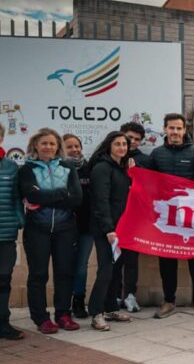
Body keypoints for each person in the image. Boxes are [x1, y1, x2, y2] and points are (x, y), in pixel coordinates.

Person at [19, 128, 83, 333]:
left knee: (64, 273)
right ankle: (41, 318)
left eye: (52, 143)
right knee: (38, 275)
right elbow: (31, 194)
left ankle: (63, 314)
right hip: (37, 229)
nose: (48, 147)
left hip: (65, 229)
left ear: (58, 147)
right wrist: (60, 194)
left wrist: (44, 196)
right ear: (35, 145)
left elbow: (76, 198)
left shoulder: (68, 167)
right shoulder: (27, 169)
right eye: (44, 143)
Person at [149, 113, 194, 319]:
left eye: (178, 128)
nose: (175, 132)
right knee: (167, 257)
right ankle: (169, 301)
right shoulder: (156, 154)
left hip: (191, 215)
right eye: (171, 128)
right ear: (165, 129)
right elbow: (148, 183)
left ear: (184, 130)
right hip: (166, 216)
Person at [86, 132, 133, 331]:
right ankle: (96, 313)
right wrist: (108, 229)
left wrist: (133, 173)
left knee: (115, 271)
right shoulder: (102, 168)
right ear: (109, 146)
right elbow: (101, 201)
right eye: (117, 144)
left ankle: (110, 308)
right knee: (106, 270)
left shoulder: (122, 169)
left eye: (124, 144)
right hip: (107, 229)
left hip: (122, 228)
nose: (122, 147)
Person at [118, 121, 149, 313]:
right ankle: (113, 295)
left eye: (137, 139)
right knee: (113, 259)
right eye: (130, 138)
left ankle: (130, 294)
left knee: (131, 258)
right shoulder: (110, 157)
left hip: (136, 216)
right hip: (115, 215)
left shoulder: (145, 160)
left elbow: (152, 186)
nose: (133, 142)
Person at [63, 134, 93, 320]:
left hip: (87, 225)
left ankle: (79, 301)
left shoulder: (89, 168)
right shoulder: (59, 168)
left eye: (77, 146)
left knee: (81, 266)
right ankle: (63, 304)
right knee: (65, 266)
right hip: (64, 226)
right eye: (70, 147)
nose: (75, 149)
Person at [0, 124, 25, 340]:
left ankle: (3, 323)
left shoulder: (10, 166)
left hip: (6, 233)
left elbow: (17, 198)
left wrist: (19, 218)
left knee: (3, 279)